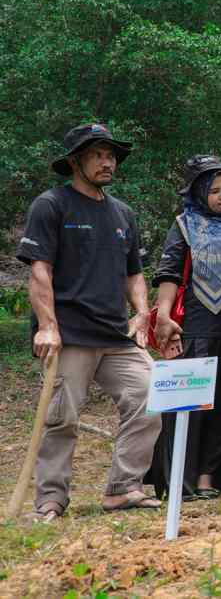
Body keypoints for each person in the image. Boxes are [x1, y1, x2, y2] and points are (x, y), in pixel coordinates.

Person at [16, 123, 163, 520]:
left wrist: (142, 313)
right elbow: (40, 271)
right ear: (76, 161)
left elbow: (134, 274)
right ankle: (51, 499)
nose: (107, 162)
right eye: (98, 154)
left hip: (116, 334)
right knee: (62, 417)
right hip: (69, 334)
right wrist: (47, 324)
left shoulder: (123, 214)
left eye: (111, 155)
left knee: (151, 396)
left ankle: (123, 488)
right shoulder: (51, 205)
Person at [148, 154, 221, 500]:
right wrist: (164, 315)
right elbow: (169, 273)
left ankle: (211, 477)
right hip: (194, 324)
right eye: (215, 191)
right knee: (188, 405)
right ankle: (180, 480)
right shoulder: (184, 225)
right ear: (198, 195)